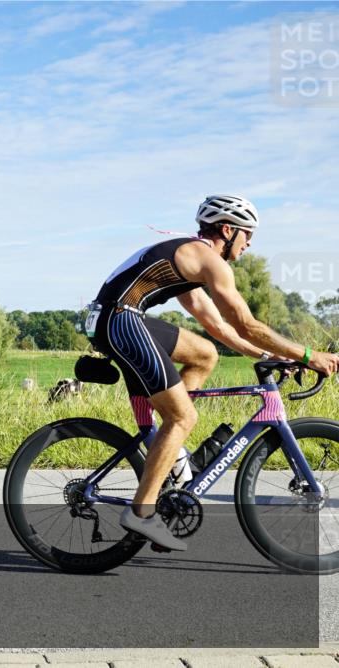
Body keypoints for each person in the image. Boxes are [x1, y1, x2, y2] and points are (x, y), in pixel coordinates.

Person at [86, 194, 339, 550]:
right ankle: (141, 514)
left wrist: (270, 355)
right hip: (119, 320)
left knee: (204, 354)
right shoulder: (208, 260)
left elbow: (220, 329)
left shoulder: (191, 258)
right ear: (227, 229)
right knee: (183, 418)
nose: (250, 243)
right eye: (247, 234)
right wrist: (309, 354)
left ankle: (172, 453)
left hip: (115, 318)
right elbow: (247, 323)